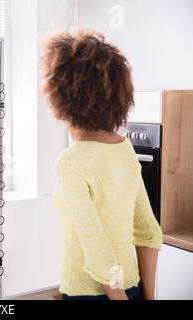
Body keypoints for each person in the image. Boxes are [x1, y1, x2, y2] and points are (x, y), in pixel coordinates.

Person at [40, 29, 163, 300]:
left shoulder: (71, 163)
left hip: (89, 293)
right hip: (132, 288)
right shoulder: (125, 149)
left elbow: (98, 252)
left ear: (62, 95)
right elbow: (149, 231)